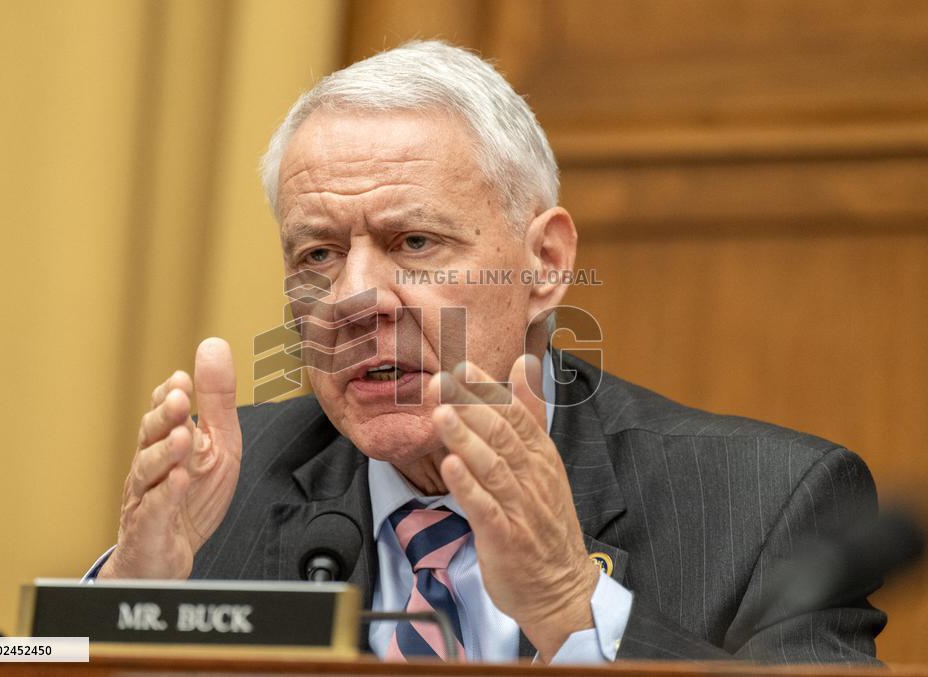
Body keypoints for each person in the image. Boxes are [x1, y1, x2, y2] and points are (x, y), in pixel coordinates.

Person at [86, 41, 885, 663]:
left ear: (544, 263)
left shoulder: (764, 507)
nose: (355, 299)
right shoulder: (221, 487)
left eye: (414, 241)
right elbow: (16, 658)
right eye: (318, 255)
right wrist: (121, 602)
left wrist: (570, 607)